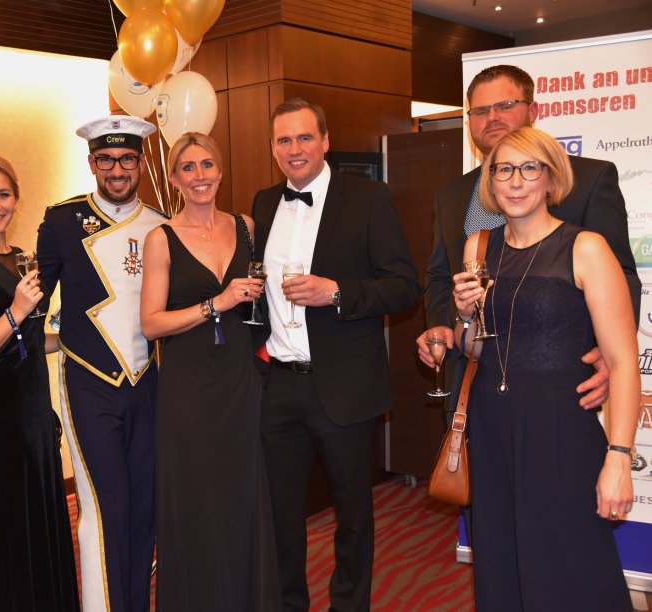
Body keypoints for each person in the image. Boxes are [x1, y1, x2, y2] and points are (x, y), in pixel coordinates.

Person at [452, 127, 637, 611]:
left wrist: (619, 457)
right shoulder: (477, 247)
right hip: (492, 428)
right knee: (500, 564)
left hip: (561, 430)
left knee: (570, 568)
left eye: (529, 168)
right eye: (503, 170)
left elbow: (622, 363)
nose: (515, 181)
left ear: (552, 179)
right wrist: (464, 316)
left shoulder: (586, 247)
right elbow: (473, 350)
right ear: (490, 181)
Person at [251, 98, 421, 611]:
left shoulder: (368, 198)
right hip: (279, 384)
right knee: (280, 517)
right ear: (273, 149)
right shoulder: (263, 203)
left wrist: (337, 292)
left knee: (352, 516)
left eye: (304, 137)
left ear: (325, 141)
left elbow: (404, 286)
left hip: (343, 387)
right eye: (284, 140)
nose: (294, 149)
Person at [418, 64, 639, 414]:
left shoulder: (589, 179)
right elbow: (440, 275)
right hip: (474, 377)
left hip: (556, 377)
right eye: (480, 110)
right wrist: (442, 327)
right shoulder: (451, 195)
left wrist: (609, 351)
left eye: (505, 106)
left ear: (533, 111)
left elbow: (621, 274)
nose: (492, 117)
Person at [140, 132, 282, 612]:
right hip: (188, 388)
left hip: (240, 380)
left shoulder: (246, 226)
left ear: (220, 171)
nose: (199, 176)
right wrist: (215, 303)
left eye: (207, 165)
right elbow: (151, 324)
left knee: (241, 496)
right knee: (196, 499)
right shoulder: (160, 238)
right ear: (174, 178)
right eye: (188, 167)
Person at [36, 115, 165, 612]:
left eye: (127, 159)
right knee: (105, 507)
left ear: (141, 163)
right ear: (92, 164)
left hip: (149, 383)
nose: (117, 170)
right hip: (90, 382)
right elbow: (35, 299)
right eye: (106, 160)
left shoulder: (162, 224)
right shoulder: (61, 220)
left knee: (144, 507)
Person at [0, 153, 80, 610]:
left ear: (16, 198)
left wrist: (76, 338)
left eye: (3, 194)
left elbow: (28, 342)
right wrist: (16, 312)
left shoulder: (24, 258)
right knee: (6, 530)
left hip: (33, 414)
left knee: (37, 526)